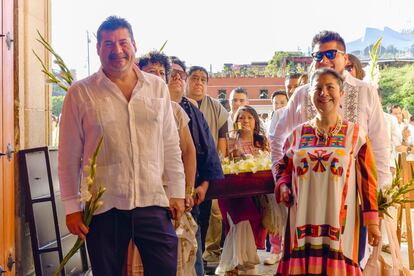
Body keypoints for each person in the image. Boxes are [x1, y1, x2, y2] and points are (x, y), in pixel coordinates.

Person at [58, 16, 185, 276]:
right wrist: (72, 208)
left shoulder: (157, 88)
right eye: (108, 44)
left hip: (152, 200)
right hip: (105, 207)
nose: (117, 50)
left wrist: (177, 192)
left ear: (134, 45)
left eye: (122, 42)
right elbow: (68, 157)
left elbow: (170, 144)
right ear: (98, 49)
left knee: (165, 270)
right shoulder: (80, 93)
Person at [269, 30, 389, 267]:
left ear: (345, 57)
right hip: (305, 206)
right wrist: (281, 183)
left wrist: (378, 201)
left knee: (347, 262)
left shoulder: (366, 92)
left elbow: (380, 148)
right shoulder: (303, 94)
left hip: (350, 206)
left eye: (331, 53)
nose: (324, 59)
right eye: (317, 55)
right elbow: (279, 140)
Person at [216, 105, 269, 275]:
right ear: (235, 121)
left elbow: (267, 163)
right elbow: (223, 163)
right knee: (240, 222)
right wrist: (234, 155)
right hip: (233, 194)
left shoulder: (261, 141)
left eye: (249, 117)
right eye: (240, 117)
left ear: (255, 121)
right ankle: (235, 265)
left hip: (256, 194)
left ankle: (241, 266)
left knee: (254, 225)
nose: (245, 121)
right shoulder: (230, 139)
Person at [186, 66, 229, 263]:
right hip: (184, 172)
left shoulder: (216, 107)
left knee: (207, 215)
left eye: (203, 79)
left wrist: (217, 165)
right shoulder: (179, 104)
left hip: (207, 169)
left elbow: (222, 138)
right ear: (187, 81)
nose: (199, 82)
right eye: (194, 78)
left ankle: (203, 256)